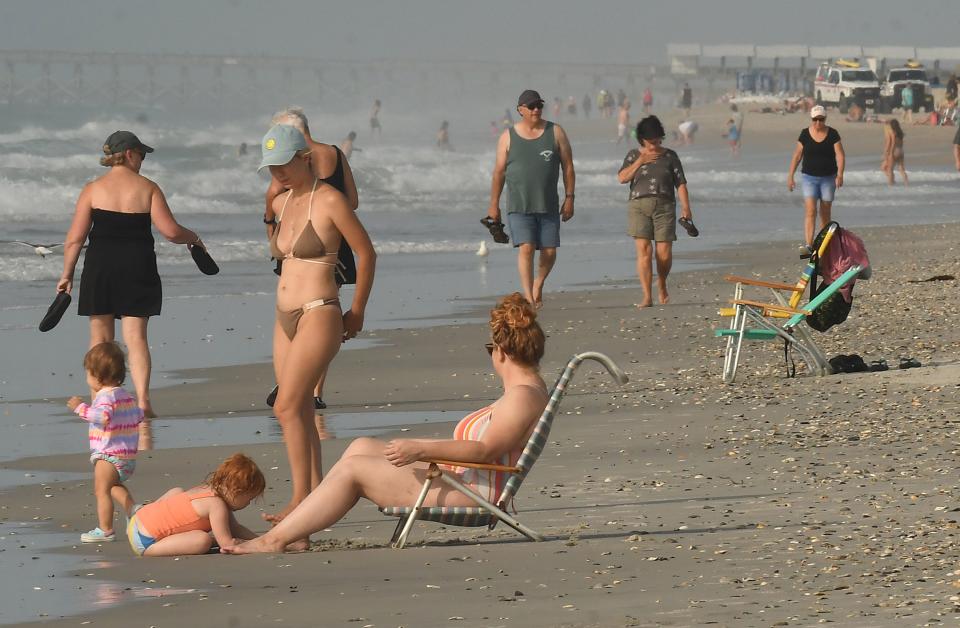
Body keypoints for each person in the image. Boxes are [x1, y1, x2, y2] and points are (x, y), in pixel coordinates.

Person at [223, 293, 549, 554]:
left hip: (477, 495)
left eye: (490, 348)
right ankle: (296, 532)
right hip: (464, 482)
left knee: (354, 471)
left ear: (502, 351)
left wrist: (420, 448)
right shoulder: (524, 392)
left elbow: (484, 449)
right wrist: (421, 450)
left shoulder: (522, 396)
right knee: (360, 447)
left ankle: (274, 540)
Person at [257, 124, 376, 523]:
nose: (278, 174)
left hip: (319, 310)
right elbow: (280, 249)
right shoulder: (281, 203)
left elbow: (366, 252)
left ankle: (300, 503)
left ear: (304, 158)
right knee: (301, 409)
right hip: (283, 316)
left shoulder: (330, 201)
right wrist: (267, 207)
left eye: (284, 165)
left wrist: (357, 309)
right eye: (271, 168)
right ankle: (312, 509)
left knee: (286, 407)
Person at [58, 131, 203, 427]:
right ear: (129, 154)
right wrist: (194, 238)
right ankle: (143, 402)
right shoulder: (148, 188)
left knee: (99, 337)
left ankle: (101, 401)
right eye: (142, 155)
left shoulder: (92, 189)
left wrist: (67, 274)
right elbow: (171, 231)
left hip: (100, 268)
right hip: (138, 267)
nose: (143, 160)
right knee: (136, 338)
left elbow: (75, 239)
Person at [264, 108, 360, 411]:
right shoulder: (334, 153)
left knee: (309, 309)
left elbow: (273, 200)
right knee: (323, 310)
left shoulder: (290, 166)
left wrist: (270, 222)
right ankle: (315, 389)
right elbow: (353, 201)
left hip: (304, 244)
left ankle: (296, 381)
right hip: (337, 241)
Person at [487, 89, 575, 308]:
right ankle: (528, 295)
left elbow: (568, 167)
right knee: (526, 247)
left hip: (548, 204)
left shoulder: (555, 132)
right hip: (519, 204)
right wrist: (493, 205)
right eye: (532, 106)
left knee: (550, 251)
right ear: (520, 110)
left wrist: (570, 197)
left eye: (539, 106)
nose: (536, 109)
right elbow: (498, 172)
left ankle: (538, 284)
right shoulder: (508, 136)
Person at [67, 341, 143, 543]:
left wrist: (79, 408)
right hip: (127, 457)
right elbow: (138, 415)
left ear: (98, 377)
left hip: (108, 454)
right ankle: (132, 509)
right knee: (112, 486)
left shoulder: (104, 397)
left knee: (101, 491)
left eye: (88, 373)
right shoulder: (126, 396)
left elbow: (102, 417)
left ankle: (106, 529)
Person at [618, 116, 694, 307]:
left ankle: (661, 282)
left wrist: (686, 208)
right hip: (638, 206)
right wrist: (640, 161)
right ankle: (646, 296)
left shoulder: (670, 156)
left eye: (658, 140)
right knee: (644, 251)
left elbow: (681, 184)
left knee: (664, 253)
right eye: (651, 141)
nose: (655, 145)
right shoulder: (633, 155)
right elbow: (622, 178)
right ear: (642, 139)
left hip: (665, 206)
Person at [126, 453, 265, 556]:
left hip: (137, 521)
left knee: (178, 491)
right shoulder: (217, 505)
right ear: (236, 491)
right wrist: (252, 545)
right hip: (145, 542)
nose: (248, 503)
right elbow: (227, 545)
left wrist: (263, 539)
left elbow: (235, 528)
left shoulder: (206, 490)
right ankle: (150, 550)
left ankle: (140, 511)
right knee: (202, 540)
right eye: (249, 498)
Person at [787, 105, 845, 256]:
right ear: (811, 119)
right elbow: (797, 155)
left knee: (825, 213)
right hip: (809, 178)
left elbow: (840, 155)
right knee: (811, 210)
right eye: (815, 120)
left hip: (828, 178)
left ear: (825, 119)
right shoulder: (805, 134)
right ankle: (808, 245)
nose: (818, 123)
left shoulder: (832, 134)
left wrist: (840, 174)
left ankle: (824, 244)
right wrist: (790, 176)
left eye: (821, 119)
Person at [881, 119, 908, 186]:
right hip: (901, 151)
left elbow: (891, 143)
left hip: (894, 151)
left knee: (889, 169)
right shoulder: (900, 132)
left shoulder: (892, 132)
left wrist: (888, 153)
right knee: (901, 169)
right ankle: (907, 184)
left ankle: (891, 185)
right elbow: (901, 144)